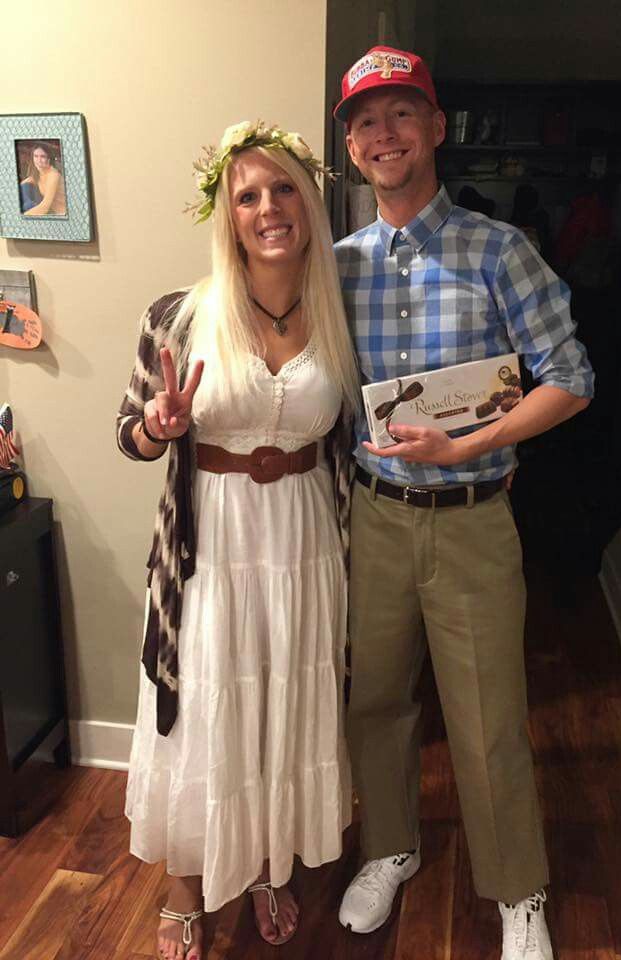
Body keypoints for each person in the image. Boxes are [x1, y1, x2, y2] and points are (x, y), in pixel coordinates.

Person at [333, 46, 594, 960]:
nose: (384, 133)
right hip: (374, 518)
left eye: (402, 113)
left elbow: (571, 379)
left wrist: (475, 445)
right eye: (366, 121)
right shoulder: (341, 266)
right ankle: (391, 846)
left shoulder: (499, 249)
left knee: (486, 721)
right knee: (375, 704)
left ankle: (518, 892)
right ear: (353, 149)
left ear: (437, 128)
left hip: (475, 519)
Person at [116, 120, 359, 959]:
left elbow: (352, 438)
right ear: (227, 213)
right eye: (247, 194)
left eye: (284, 188)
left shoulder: (336, 310)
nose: (268, 208)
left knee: (280, 705)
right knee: (210, 706)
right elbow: (130, 437)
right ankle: (187, 886)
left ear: (309, 200)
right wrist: (158, 422)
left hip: (302, 545)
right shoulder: (180, 316)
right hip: (211, 549)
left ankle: (263, 861)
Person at [20, 142, 67, 215]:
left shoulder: (53, 175)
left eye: (42, 156)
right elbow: (25, 182)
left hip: (62, 214)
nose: (38, 160)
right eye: (36, 156)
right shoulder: (40, 174)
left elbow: (45, 207)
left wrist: (22, 216)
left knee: (27, 205)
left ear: (49, 159)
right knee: (24, 187)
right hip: (51, 212)